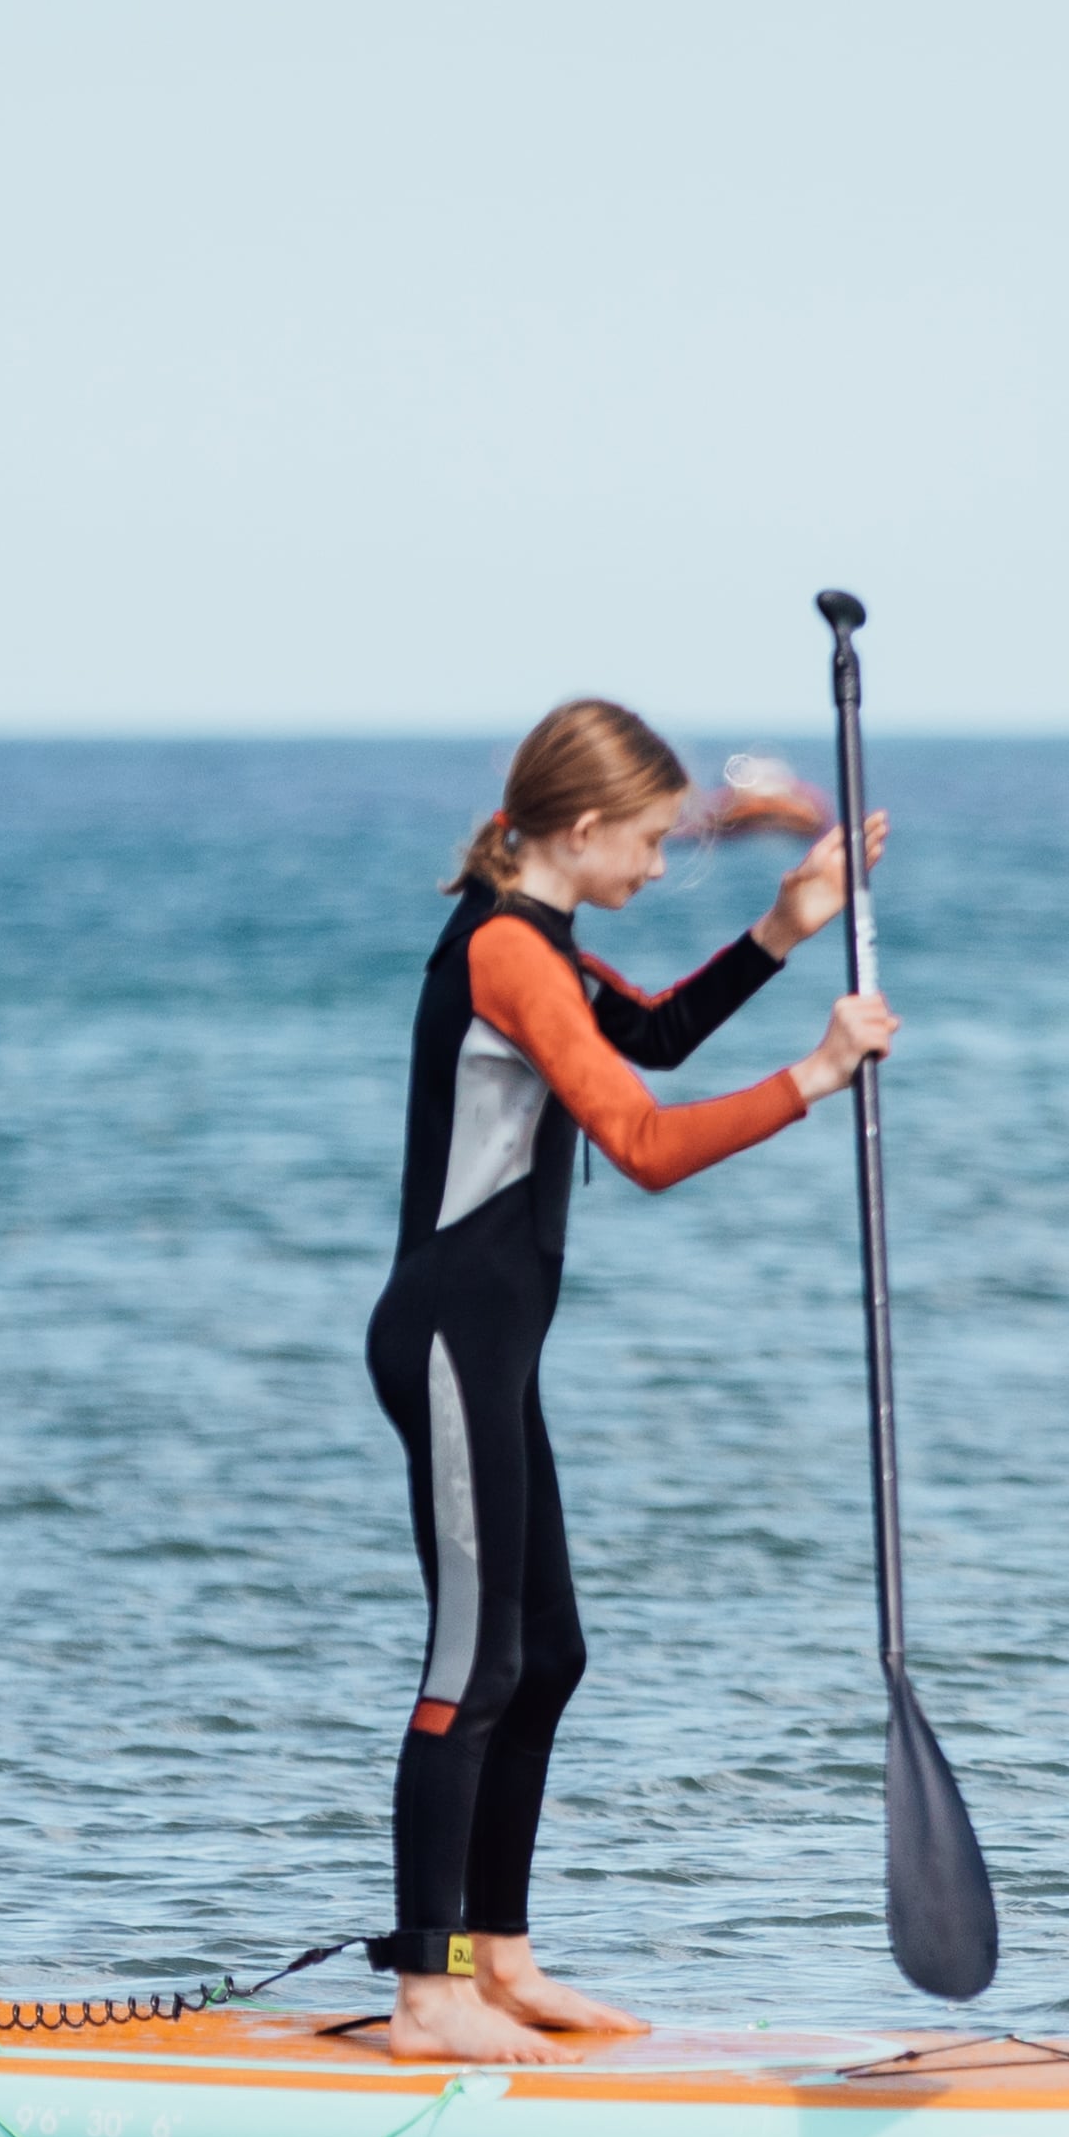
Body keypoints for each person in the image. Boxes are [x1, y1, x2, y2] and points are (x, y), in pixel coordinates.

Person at [368, 698, 893, 2062]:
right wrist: (815, 1074)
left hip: (491, 1347)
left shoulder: (537, 941)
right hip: (447, 1340)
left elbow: (647, 1038)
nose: (660, 868)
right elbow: (646, 1141)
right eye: (651, 844)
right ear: (585, 829)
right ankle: (427, 1992)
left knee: (547, 1655)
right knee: (472, 1659)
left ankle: (497, 1959)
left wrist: (787, 929)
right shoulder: (504, 952)